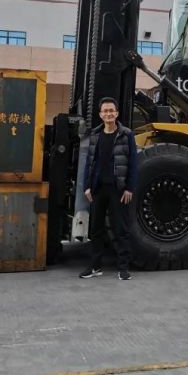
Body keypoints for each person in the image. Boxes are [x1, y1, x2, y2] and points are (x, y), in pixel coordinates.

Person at [78, 97, 138, 281]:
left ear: (117, 113)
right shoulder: (95, 135)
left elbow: (134, 163)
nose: (108, 114)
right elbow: (90, 163)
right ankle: (95, 266)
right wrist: (87, 186)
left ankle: (123, 268)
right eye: (105, 111)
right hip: (98, 189)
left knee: (121, 228)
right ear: (100, 114)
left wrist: (129, 188)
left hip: (118, 189)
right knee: (96, 229)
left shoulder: (126, 135)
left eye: (111, 110)